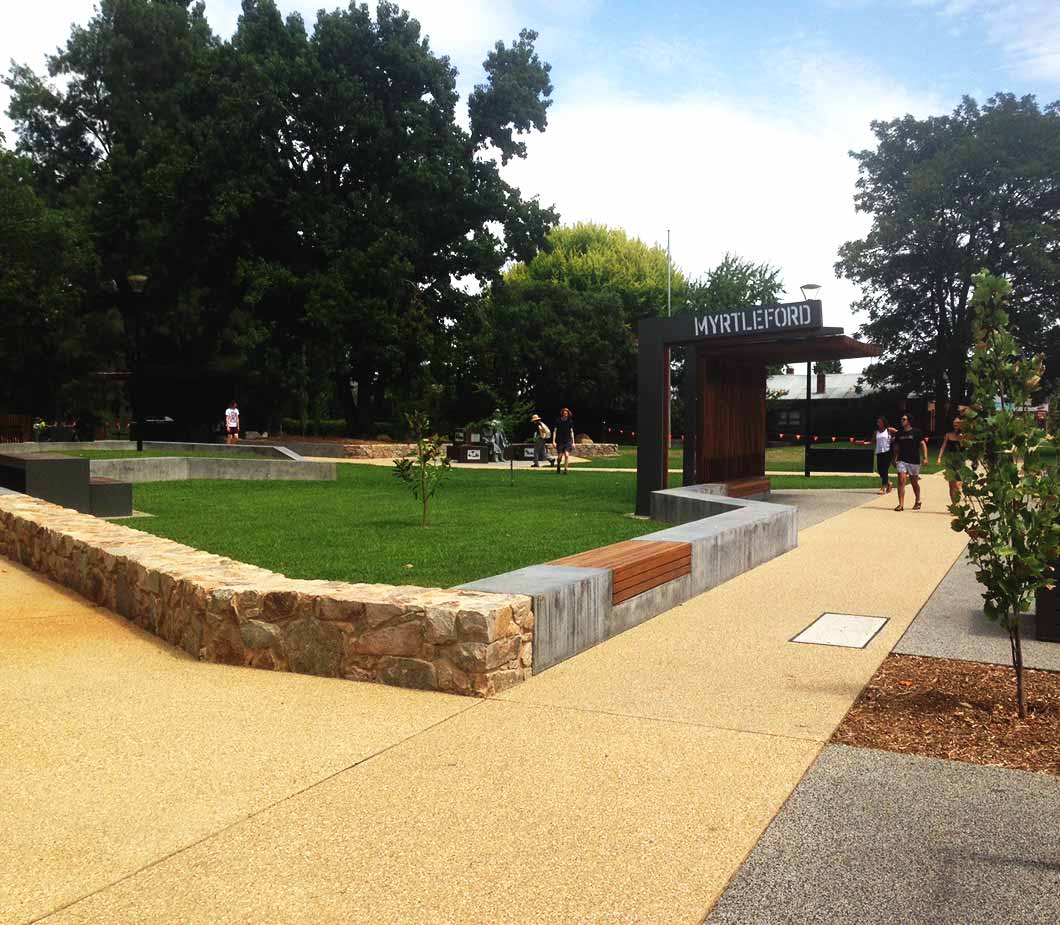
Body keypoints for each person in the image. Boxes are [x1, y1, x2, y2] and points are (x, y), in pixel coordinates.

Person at [892, 413, 928, 511]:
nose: (902, 421)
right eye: (901, 419)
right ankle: (901, 504)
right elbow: (896, 447)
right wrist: (894, 458)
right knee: (901, 480)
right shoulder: (899, 433)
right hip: (901, 460)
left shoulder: (917, 432)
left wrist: (925, 457)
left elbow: (922, 444)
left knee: (914, 482)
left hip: (914, 460)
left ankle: (918, 500)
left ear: (909, 421)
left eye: (904, 419)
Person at [937, 415, 964, 504]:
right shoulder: (948, 434)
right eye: (954, 423)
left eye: (957, 423)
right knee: (951, 484)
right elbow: (943, 447)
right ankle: (954, 504)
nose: (955, 424)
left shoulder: (963, 435)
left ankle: (957, 502)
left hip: (959, 460)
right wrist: (939, 458)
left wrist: (961, 439)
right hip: (950, 460)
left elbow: (964, 448)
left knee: (957, 484)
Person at [873, 416, 897, 494]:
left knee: (884, 470)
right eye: (877, 422)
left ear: (883, 423)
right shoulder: (876, 432)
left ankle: (883, 487)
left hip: (888, 452)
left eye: (879, 422)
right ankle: (889, 483)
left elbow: (900, 434)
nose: (878, 423)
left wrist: (894, 439)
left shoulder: (889, 430)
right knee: (879, 470)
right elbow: (871, 442)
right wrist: (862, 443)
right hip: (879, 452)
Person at [552, 407, 575, 475]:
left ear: (568, 414)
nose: (565, 414)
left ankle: (565, 469)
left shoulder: (570, 422)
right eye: (564, 413)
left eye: (566, 413)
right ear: (562, 413)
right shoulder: (558, 421)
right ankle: (558, 465)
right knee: (559, 457)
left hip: (568, 440)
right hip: (560, 441)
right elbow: (555, 431)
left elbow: (571, 432)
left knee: (567, 455)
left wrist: (573, 442)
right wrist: (553, 441)